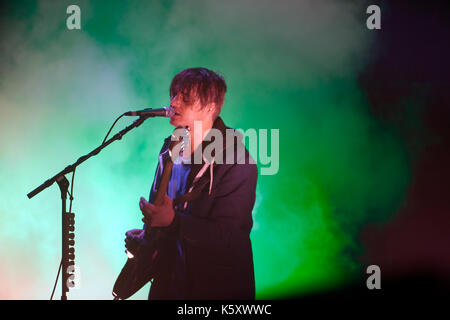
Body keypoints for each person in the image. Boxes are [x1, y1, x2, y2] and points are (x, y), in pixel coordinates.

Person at [125, 67, 258, 299]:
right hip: (169, 286)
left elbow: (230, 238)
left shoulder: (237, 160)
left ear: (211, 108)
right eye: (173, 94)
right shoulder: (170, 148)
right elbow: (164, 216)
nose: (174, 102)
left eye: (185, 98)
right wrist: (147, 239)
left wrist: (174, 222)